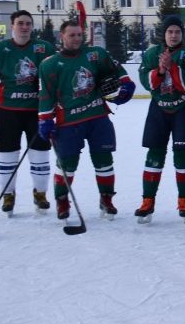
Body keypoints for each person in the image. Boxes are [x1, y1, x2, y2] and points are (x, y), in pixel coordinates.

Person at [37, 20, 135, 228]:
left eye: (79, 35)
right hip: (69, 121)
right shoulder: (49, 64)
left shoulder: (95, 54)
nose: (77, 39)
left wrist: (127, 84)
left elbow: (116, 69)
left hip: (98, 117)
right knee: (67, 164)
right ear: (61, 37)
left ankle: (106, 199)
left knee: (104, 161)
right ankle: (62, 200)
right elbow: (45, 94)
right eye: (72, 35)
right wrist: (45, 119)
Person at [0, 10, 56, 215]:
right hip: (8, 112)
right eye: (20, 23)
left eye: (28, 23)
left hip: (37, 113)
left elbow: (53, 79)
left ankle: (40, 194)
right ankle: (8, 195)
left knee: (40, 155)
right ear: (12, 25)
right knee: (7, 156)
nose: (24, 27)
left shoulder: (44, 48)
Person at [134, 16, 185, 223]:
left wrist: (173, 68)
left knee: (182, 153)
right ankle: (148, 200)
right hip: (159, 110)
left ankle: (184, 200)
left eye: (177, 31)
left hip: (183, 109)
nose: (174, 35)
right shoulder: (152, 53)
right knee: (154, 154)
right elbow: (146, 83)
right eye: (170, 31)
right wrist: (160, 70)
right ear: (164, 34)